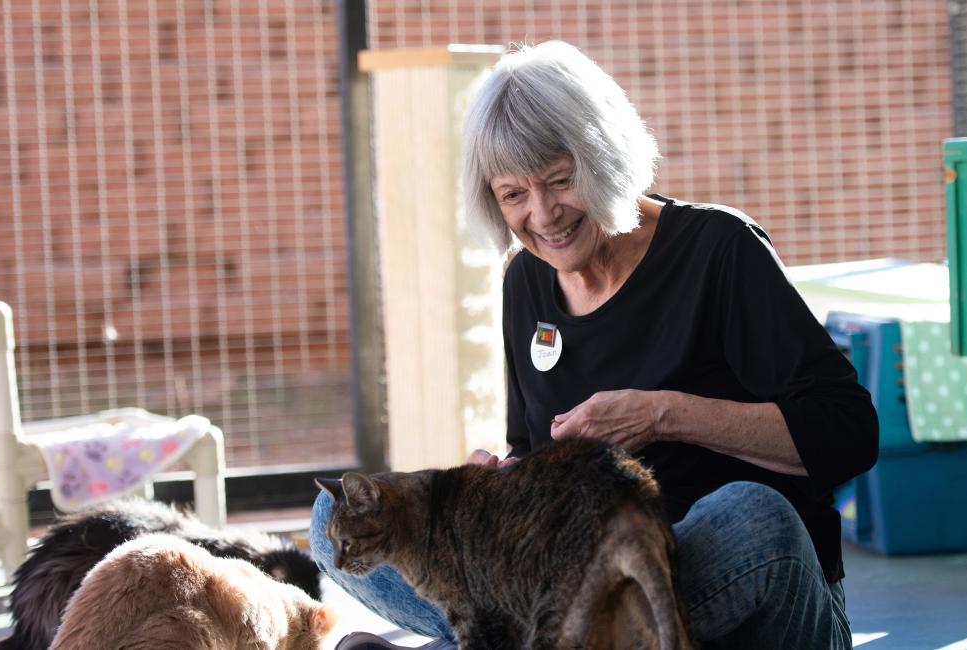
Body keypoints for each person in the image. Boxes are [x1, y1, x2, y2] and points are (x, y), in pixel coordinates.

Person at [312, 40, 878, 650]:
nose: (543, 214)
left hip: (727, 579)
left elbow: (848, 434)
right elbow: (536, 455)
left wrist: (665, 413)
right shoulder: (524, 280)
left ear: (602, 158)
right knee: (330, 523)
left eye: (559, 181)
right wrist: (497, 487)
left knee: (755, 514)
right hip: (579, 585)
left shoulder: (718, 250)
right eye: (512, 195)